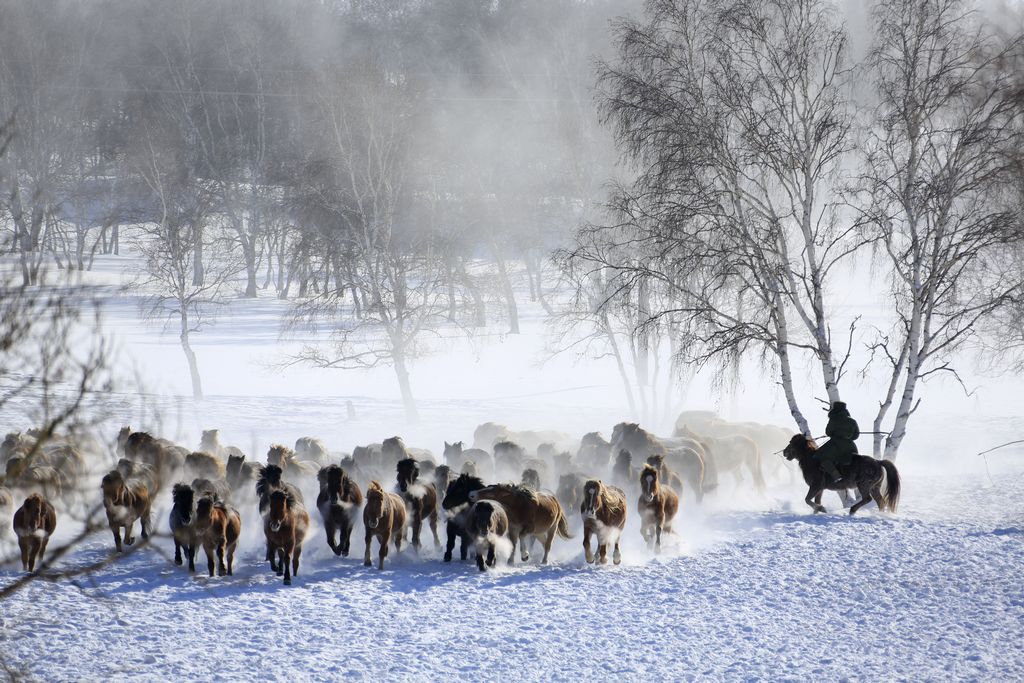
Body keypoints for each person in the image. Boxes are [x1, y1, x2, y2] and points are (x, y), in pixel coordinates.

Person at [814, 401, 859, 483]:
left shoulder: (833, 419)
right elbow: (856, 436)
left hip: (835, 444)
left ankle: (836, 475)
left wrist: (836, 434)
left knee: (819, 455)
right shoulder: (852, 421)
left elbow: (828, 432)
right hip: (850, 446)